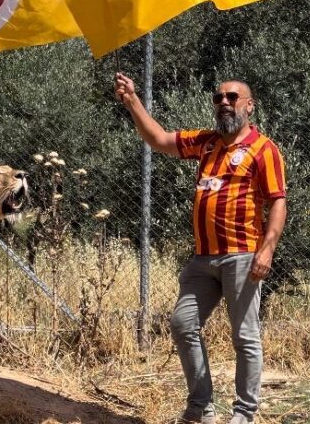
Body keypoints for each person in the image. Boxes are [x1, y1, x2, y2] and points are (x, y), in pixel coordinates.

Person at [114, 73, 287, 424]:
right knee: (182, 324)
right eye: (218, 97)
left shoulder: (263, 149)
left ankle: (244, 414)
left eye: (233, 97)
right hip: (203, 259)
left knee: (245, 337)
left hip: (244, 256)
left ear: (249, 106)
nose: (224, 102)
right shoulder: (206, 143)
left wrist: (266, 251)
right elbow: (160, 139)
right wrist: (132, 101)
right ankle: (201, 410)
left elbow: (278, 203)